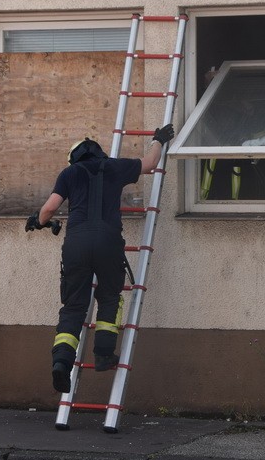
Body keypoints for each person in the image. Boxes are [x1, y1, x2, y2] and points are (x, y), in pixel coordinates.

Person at [30, 124, 175, 393]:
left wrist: (38, 222)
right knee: (109, 297)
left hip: (76, 244)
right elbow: (150, 163)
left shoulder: (69, 173)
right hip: (108, 242)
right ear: (100, 154)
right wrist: (158, 139)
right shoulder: (114, 167)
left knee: (73, 307)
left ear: (74, 158)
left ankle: (61, 363)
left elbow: (49, 208)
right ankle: (104, 355)